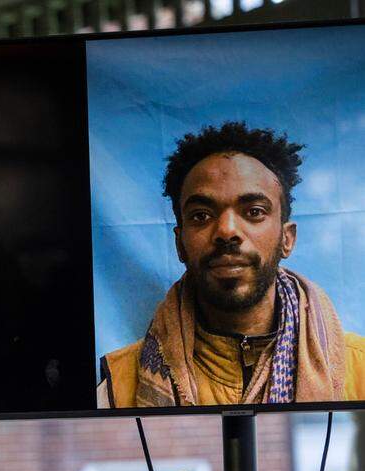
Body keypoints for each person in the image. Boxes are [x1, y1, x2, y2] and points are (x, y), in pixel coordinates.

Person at [98, 121, 365, 408]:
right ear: (179, 243)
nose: (226, 230)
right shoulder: (118, 383)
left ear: (287, 239)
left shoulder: (358, 371)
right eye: (201, 215)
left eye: (254, 211)